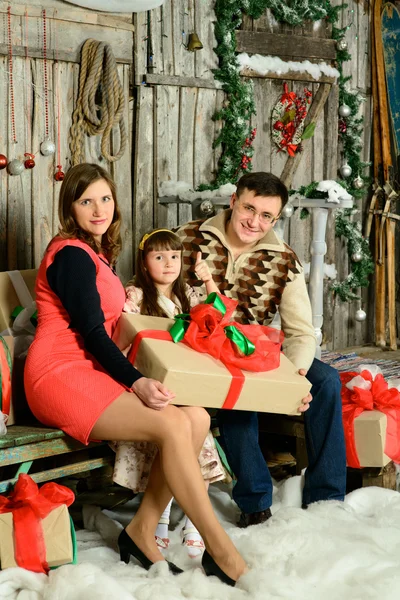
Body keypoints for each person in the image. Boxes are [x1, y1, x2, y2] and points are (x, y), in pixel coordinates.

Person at [24, 163, 247, 585]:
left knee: (195, 416)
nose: (98, 209)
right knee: (170, 423)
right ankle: (223, 550)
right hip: (59, 371)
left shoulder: (95, 253)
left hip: (90, 367)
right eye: (85, 200)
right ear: (70, 207)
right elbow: (91, 332)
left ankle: (142, 530)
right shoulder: (71, 253)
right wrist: (136, 380)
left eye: (105, 198)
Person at [176, 171, 347, 527]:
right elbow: (153, 290)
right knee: (240, 394)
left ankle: (327, 497)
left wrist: (297, 376)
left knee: (327, 380)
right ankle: (255, 502)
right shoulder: (188, 238)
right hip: (200, 351)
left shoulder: (284, 259)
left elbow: (301, 332)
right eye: (249, 209)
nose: (255, 221)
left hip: (256, 350)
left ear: (277, 217)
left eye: (266, 215)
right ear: (234, 199)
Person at [111, 228, 228, 558]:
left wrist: (208, 282)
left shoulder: (187, 297)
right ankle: (160, 517)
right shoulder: (134, 296)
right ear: (144, 262)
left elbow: (218, 320)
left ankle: (192, 518)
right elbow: (125, 336)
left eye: (174, 257)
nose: (168, 264)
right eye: (158, 256)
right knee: (185, 424)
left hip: (184, 386)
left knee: (197, 419)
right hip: (149, 386)